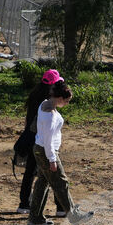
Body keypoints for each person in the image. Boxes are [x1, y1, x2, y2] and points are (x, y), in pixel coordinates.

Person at [28, 80, 94, 225]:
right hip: (46, 152)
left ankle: (35, 217)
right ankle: (74, 216)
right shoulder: (50, 116)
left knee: (42, 182)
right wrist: (52, 160)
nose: (67, 104)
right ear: (59, 98)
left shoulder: (44, 103)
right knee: (61, 182)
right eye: (66, 101)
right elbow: (48, 140)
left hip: (40, 149)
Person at [17, 69, 67, 215]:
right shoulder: (48, 102)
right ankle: (61, 208)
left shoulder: (34, 95)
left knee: (31, 172)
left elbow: (28, 121)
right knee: (55, 174)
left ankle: (24, 204)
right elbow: (48, 127)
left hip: (31, 138)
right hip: (43, 142)